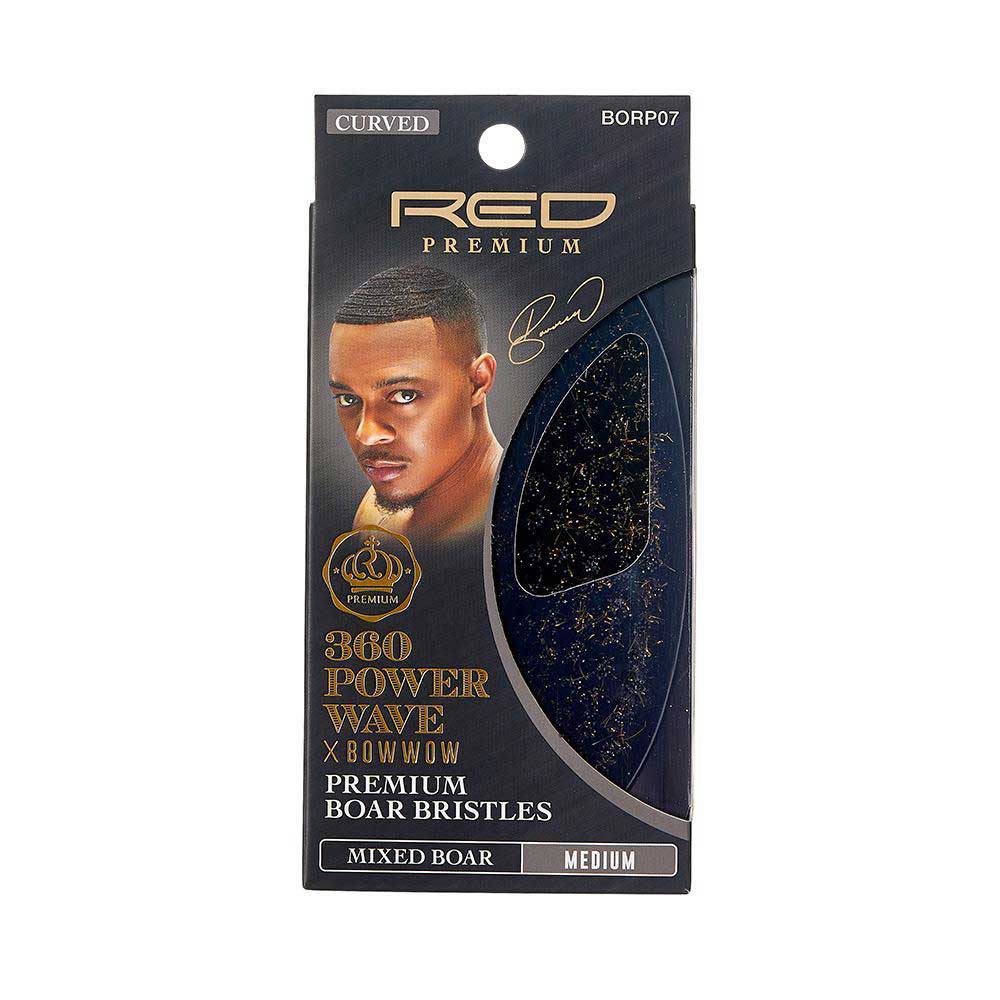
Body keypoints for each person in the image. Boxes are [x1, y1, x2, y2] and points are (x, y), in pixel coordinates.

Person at [328, 265, 502, 543]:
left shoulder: (520, 524)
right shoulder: (376, 510)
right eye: (348, 399)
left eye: (404, 395)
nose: (367, 434)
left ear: (478, 381)